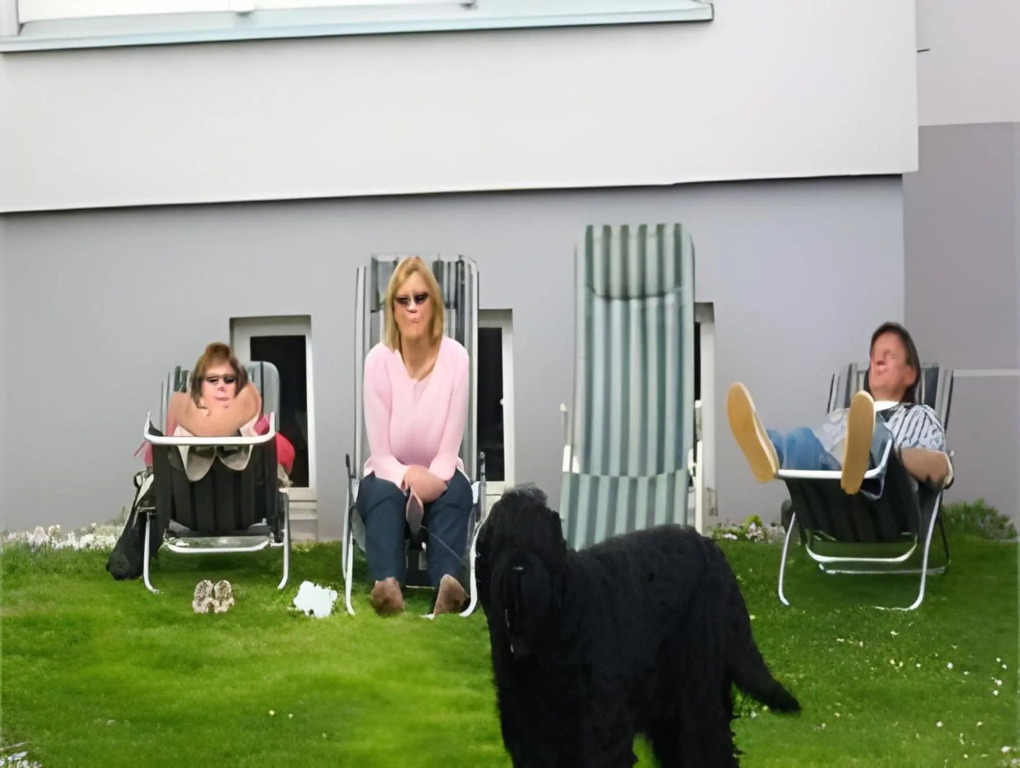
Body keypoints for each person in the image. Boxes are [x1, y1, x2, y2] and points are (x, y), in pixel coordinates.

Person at [357, 256, 473, 617]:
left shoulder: (457, 358)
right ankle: (388, 585)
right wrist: (409, 476)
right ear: (392, 309)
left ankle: (447, 586)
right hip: (390, 472)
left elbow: (449, 446)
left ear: (433, 305)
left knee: (457, 492)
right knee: (379, 492)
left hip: (441, 471)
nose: (412, 308)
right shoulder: (378, 361)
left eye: (420, 298)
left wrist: (432, 480)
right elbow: (380, 454)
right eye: (403, 300)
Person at [727, 322, 953, 499]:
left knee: (875, 434)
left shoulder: (921, 416)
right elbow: (818, 452)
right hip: (835, 497)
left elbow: (940, 469)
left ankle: (863, 454)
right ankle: (769, 447)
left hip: (885, 502)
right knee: (802, 440)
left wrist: (890, 455)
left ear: (910, 374)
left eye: (890, 356)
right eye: (874, 357)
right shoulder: (844, 416)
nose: (878, 362)